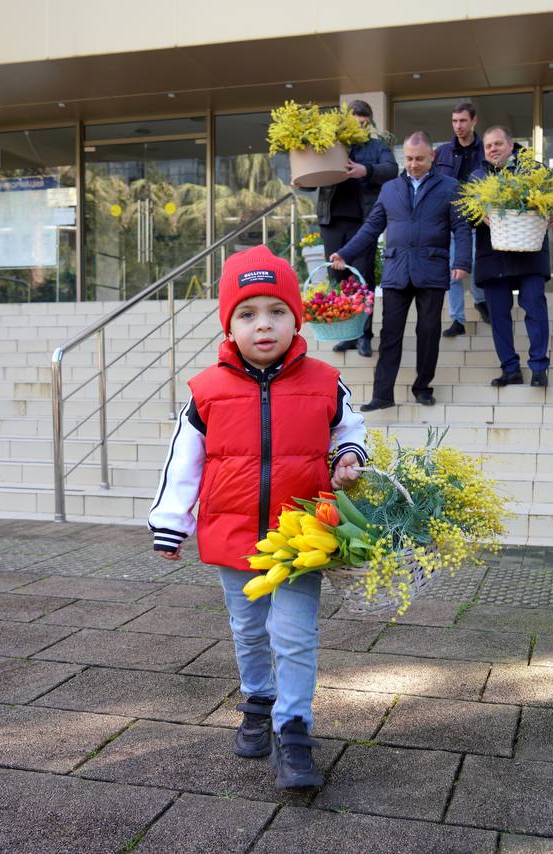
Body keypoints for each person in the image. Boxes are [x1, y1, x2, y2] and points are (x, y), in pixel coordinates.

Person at [148, 245, 367, 791]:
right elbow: (183, 459)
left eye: (276, 311)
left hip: (303, 533)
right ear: (229, 323)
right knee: (249, 630)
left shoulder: (323, 380)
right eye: (247, 314)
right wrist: (171, 519)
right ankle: (258, 699)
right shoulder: (207, 390)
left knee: (294, 633)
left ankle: (293, 731)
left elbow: (350, 430)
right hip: (233, 531)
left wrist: (348, 458)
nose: (263, 325)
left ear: (297, 317)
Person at [330, 131, 471, 411]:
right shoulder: (390, 188)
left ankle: (422, 388)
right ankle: (382, 395)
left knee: (428, 332)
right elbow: (371, 227)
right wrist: (345, 254)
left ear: (432, 156)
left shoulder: (451, 187)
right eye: (408, 158)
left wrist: (462, 262)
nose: (414, 164)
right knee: (390, 334)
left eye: (419, 158)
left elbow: (462, 228)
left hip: (431, 269)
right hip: (397, 271)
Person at [470, 126, 553, 389]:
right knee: (499, 316)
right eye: (488, 145)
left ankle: (538, 368)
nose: (493, 149)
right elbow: (466, 214)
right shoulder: (477, 176)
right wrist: (478, 215)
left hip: (530, 254)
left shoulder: (534, 170)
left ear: (511, 145)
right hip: (493, 258)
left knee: (535, 308)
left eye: (498, 144)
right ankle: (510, 368)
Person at [316, 99, 397, 358]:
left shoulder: (377, 147)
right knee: (337, 280)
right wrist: (301, 180)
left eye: (364, 124)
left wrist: (366, 170)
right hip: (332, 220)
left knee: (362, 279)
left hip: (363, 223)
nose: (359, 128)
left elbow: (392, 169)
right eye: (355, 123)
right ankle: (346, 334)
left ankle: (364, 335)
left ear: (369, 123)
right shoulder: (330, 144)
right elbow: (313, 173)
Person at [433, 100, 488, 334]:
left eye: (463, 121)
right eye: (455, 121)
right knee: (453, 269)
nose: (458, 126)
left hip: (478, 219)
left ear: (473, 121)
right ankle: (458, 319)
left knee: (474, 263)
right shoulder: (443, 151)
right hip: (451, 220)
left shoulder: (486, 149)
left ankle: (480, 299)